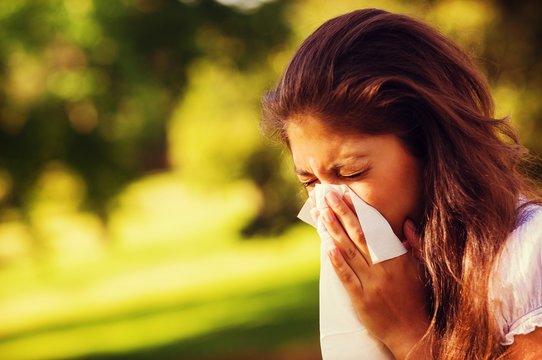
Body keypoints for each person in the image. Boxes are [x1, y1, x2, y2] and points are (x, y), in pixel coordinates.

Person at [261, 8, 542, 360]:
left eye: (351, 173)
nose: (329, 206)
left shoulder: (527, 262)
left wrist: (406, 334)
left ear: (429, 147)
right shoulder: (387, 278)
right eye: (310, 181)